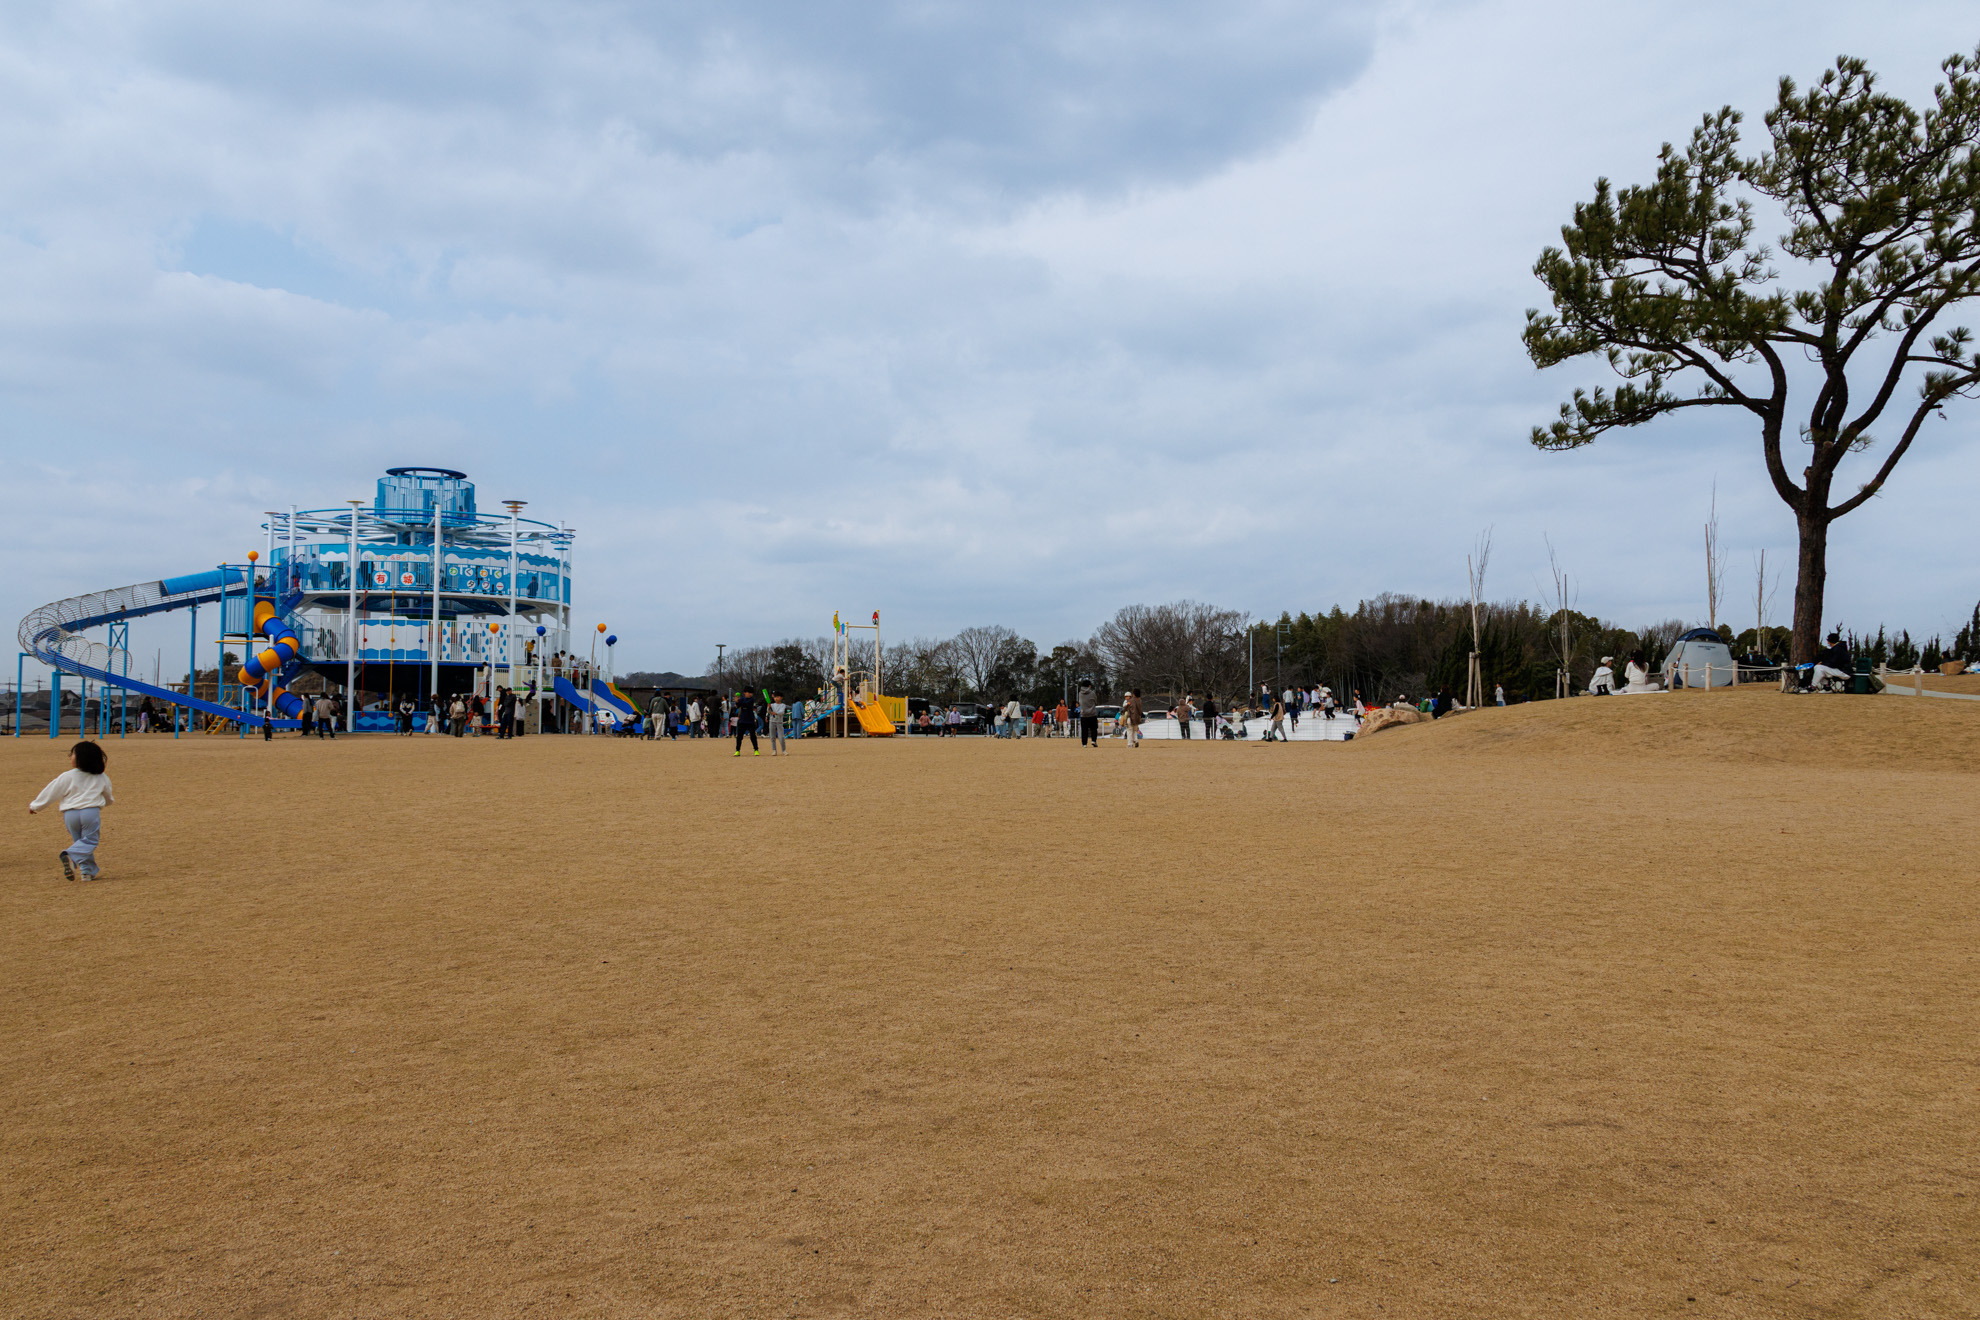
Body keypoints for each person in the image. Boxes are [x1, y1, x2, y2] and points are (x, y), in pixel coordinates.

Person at [31, 740, 113, 881]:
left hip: (70, 814)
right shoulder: (101, 777)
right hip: (90, 812)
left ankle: (87, 871)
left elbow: (51, 792)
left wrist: (35, 806)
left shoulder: (67, 776)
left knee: (80, 842)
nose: (70, 757)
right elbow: (108, 795)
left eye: (72, 754)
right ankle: (71, 856)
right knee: (89, 841)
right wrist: (107, 803)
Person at [732, 689, 760, 756]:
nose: (750, 694)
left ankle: (756, 750)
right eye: (749, 692)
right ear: (745, 693)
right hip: (742, 720)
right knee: (739, 736)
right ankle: (737, 750)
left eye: (751, 693)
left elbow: (747, 704)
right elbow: (737, 706)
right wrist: (736, 701)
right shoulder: (742, 699)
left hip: (750, 720)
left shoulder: (752, 699)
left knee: (753, 736)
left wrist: (739, 701)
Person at [1077, 679, 1099, 747]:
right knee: (1094, 729)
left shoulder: (1080, 693)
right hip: (1092, 714)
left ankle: (1084, 744)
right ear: (1089, 686)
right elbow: (1096, 702)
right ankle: (1093, 741)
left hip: (1083, 714)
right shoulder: (1092, 693)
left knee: (1084, 730)